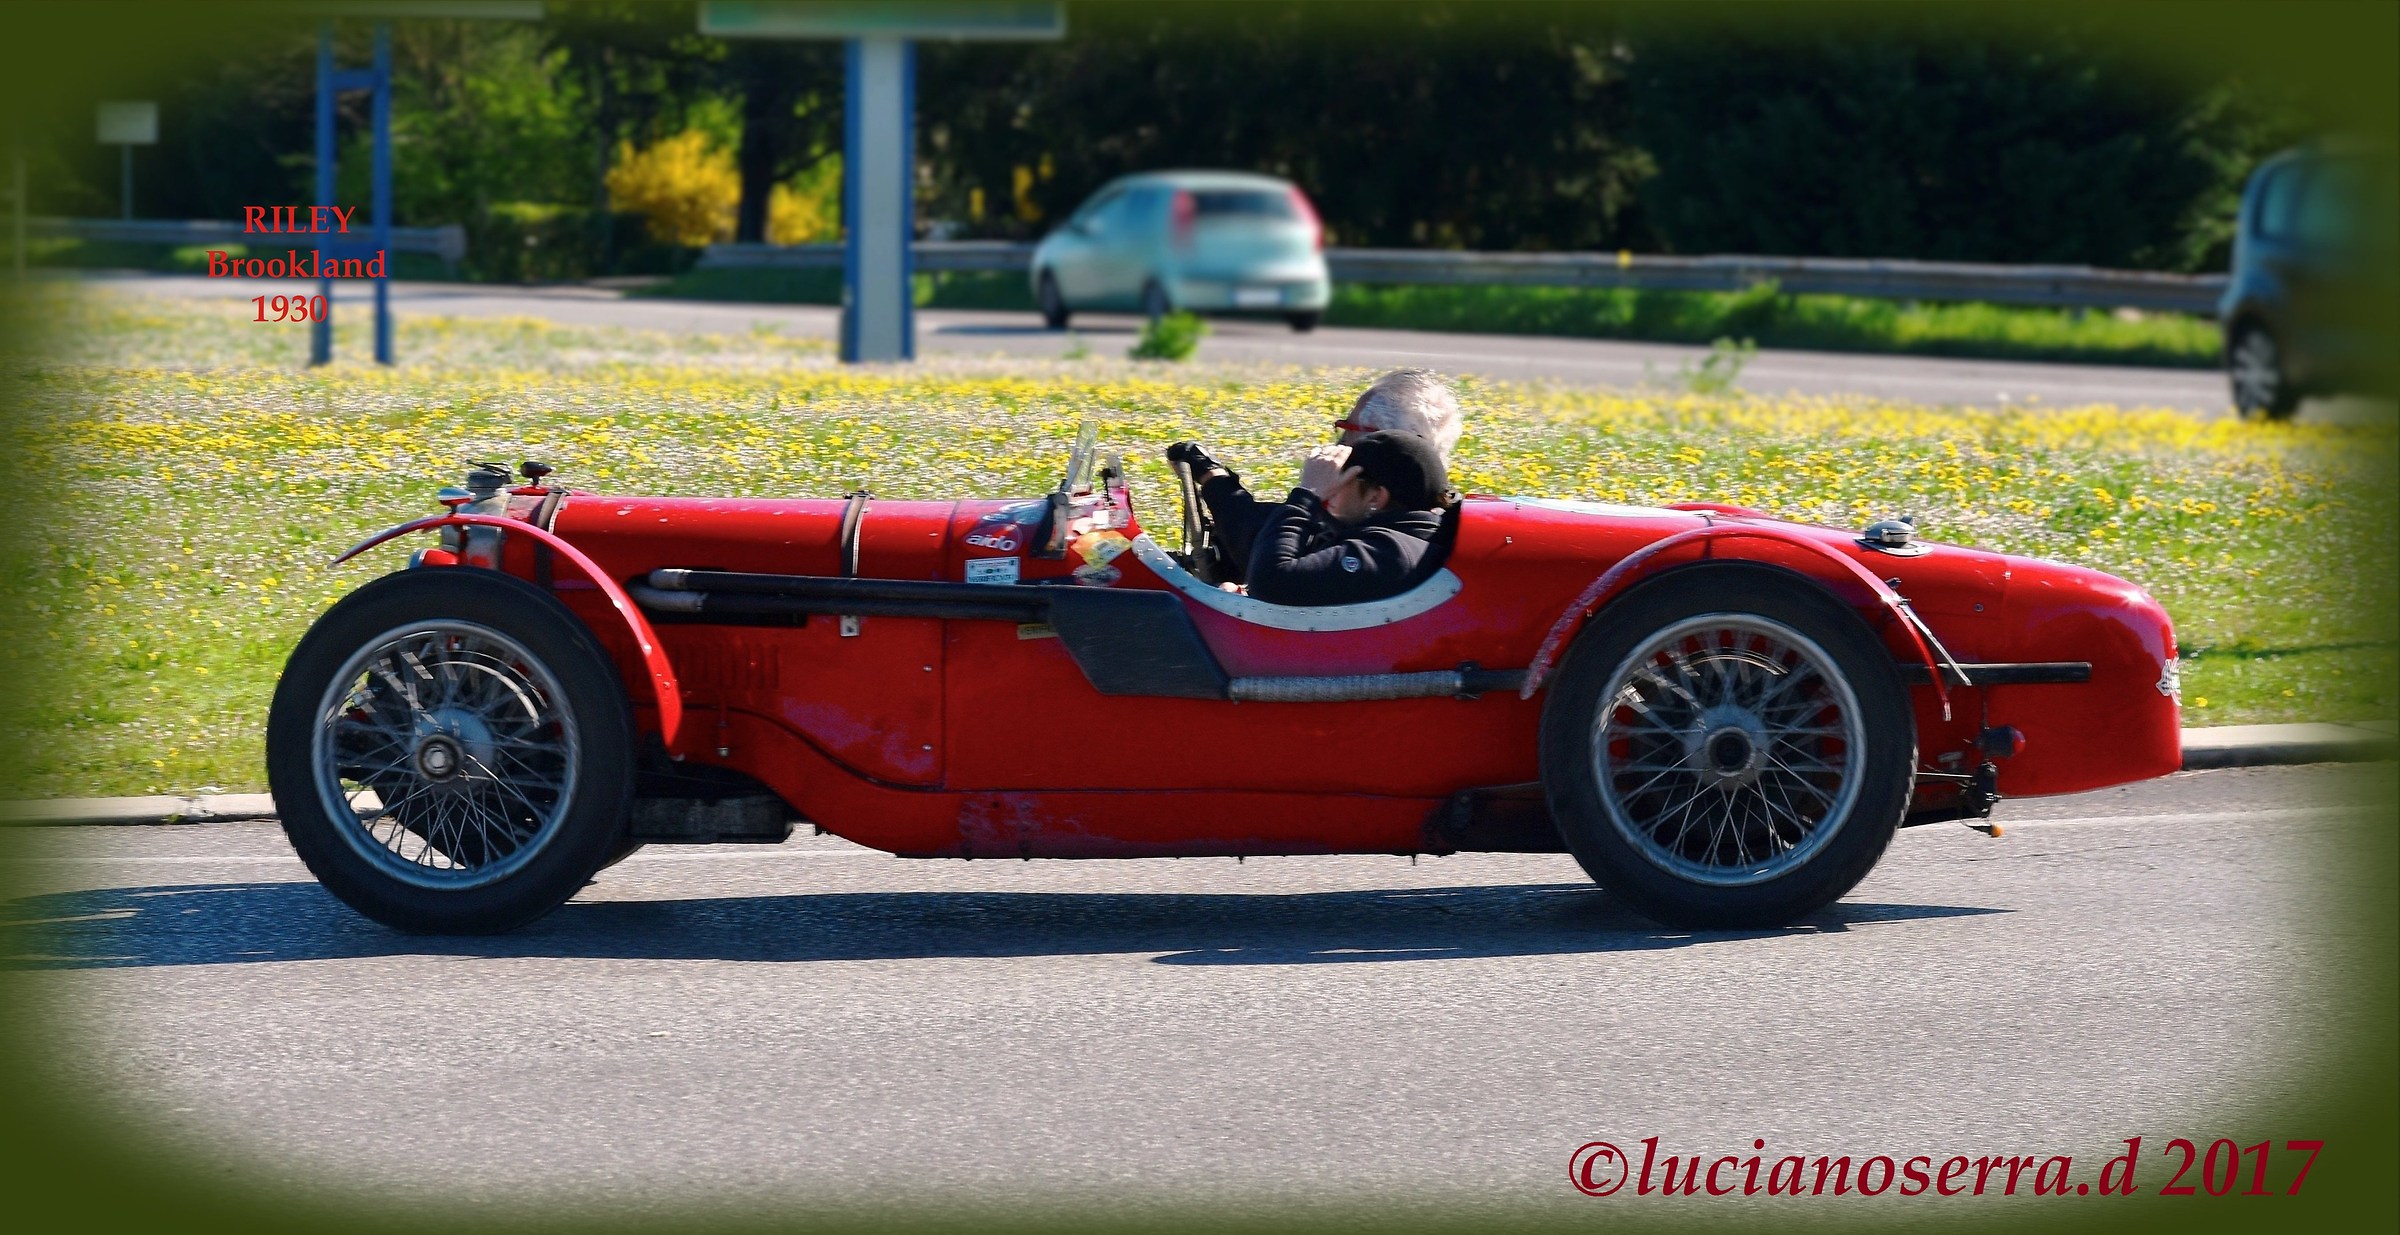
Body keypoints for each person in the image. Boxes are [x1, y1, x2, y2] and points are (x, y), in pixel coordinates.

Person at [1166, 368, 1460, 583]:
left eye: (1350, 431)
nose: (1339, 444)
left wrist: (1308, 492)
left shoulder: (1386, 544)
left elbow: (1271, 564)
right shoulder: (1429, 516)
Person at [1244, 430, 1451, 607]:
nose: (1331, 487)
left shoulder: (1388, 552)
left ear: (1376, 497)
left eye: (1342, 476)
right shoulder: (1416, 539)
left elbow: (1271, 581)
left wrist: (1308, 491)